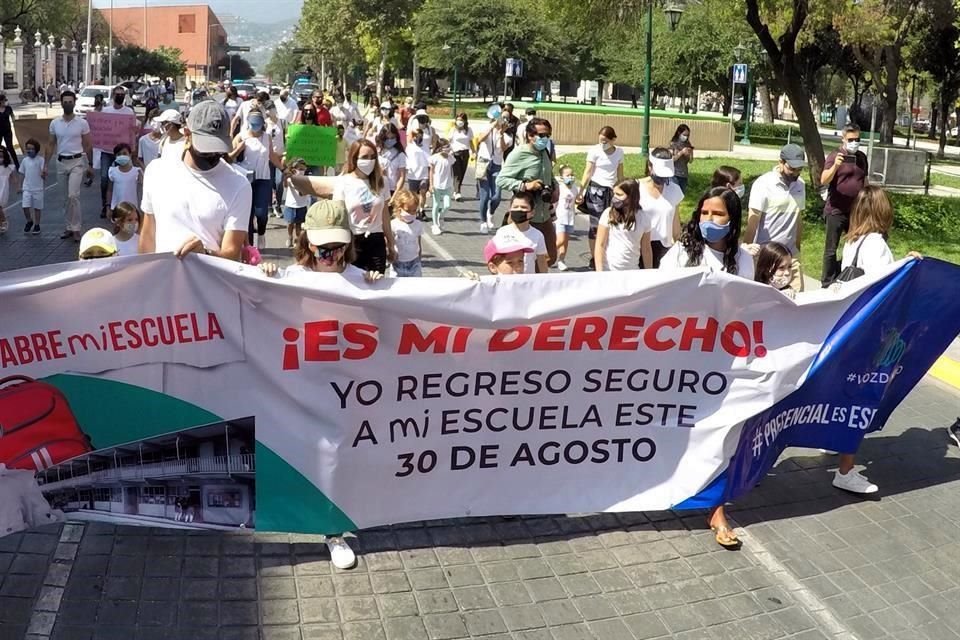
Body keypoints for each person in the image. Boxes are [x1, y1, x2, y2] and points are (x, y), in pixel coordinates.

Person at [832, 185, 922, 493]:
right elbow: (885, 286)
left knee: (846, 393)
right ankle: (845, 471)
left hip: (850, 329)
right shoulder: (877, 245)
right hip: (870, 334)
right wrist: (907, 265)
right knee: (862, 397)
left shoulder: (852, 242)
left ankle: (837, 447)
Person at [139, 100, 251, 261]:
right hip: (163, 281)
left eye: (218, 149)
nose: (212, 155)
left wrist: (204, 254)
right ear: (187, 135)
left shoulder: (239, 185)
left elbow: (232, 252)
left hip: (209, 283)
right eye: (206, 149)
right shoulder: (156, 171)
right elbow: (148, 234)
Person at [287, 139, 397, 274]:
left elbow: (385, 215)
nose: (369, 161)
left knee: (376, 282)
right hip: (352, 240)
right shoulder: (343, 182)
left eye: (372, 157)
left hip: (376, 240)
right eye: (364, 157)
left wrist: (391, 243)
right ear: (354, 158)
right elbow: (338, 213)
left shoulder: (382, 182)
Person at [745, 143, 806, 291]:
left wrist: (797, 247)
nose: (796, 173)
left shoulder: (800, 185)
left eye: (799, 169)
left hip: (790, 256)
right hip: (766, 256)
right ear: (781, 162)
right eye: (792, 168)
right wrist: (745, 250)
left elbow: (798, 216)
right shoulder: (764, 184)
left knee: (797, 302)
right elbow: (753, 219)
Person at [496, 117, 557, 264]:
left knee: (550, 257)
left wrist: (554, 187)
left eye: (548, 135)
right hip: (525, 217)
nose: (545, 139)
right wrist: (525, 186)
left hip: (544, 215)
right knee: (519, 260)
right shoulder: (519, 153)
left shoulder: (545, 152)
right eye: (541, 135)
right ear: (530, 136)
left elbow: (549, 174)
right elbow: (501, 180)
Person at [661, 186, 754, 278]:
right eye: (704, 213)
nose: (709, 219)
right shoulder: (680, 252)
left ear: (732, 219)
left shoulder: (743, 260)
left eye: (718, 214)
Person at [228, 107, 284, 249]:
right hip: (245, 180)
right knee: (248, 214)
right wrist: (238, 149)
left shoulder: (267, 137)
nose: (255, 127)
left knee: (261, 213)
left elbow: (271, 156)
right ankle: (250, 247)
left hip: (263, 179)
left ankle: (261, 233)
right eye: (253, 124)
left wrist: (284, 169)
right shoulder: (241, 136)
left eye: (258, 124)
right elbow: (229, 158)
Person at [820, 124, 868, 287]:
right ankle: (827, 282)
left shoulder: (861, 158)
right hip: (836, 210)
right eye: (851, 140)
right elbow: (823, 180)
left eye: (857, 139)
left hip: (855, 211)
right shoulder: (835, 156)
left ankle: (850, 276)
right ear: (843, 139)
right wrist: (836, 166)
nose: (854, 142)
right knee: (831, 249)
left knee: (857, 245)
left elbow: (864, 180)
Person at [45, 90, 94, 242]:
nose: (67, 104)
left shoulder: (82, 123)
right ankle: (68, 227)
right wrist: (45, 165)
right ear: (61, 103)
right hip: (61, 162)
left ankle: (76, 228)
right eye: (65, 102)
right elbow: (51, 144)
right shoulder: (55, 123)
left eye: (70, 102)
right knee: (64, 198)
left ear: (74, 102)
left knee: (73, 195)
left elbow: (87, 144)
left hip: (77, 162)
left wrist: (90, 165)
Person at [576, 126, 625, 267]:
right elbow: (588, 171)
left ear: (613, 140)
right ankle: (594, 256)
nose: (602, 143)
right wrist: (580, 191)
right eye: (600, 140)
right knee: (596, 225)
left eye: (605, 141)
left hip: (611, 191)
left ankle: (607, 252)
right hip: (596, 190)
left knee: (612, 223)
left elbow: (620, 173)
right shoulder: (594, 151)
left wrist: (622, 190)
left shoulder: (619, 152)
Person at [594, 178, 652, 272]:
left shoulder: (644, 218)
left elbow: (646, 248)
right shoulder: (608, 214)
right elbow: (600, 244)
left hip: (631, 271)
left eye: (619, 195)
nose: (615, 197)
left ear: (631, 197)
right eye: (614, 194)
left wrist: (649, 271)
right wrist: (599, 272)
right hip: (609, 270)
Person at [96, 87, 138, 219]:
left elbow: (133, 130)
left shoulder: (129, 112)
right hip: (107, 151)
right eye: (117, 94)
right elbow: (98, 126)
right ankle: (105, 205)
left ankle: (126, 206)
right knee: (104, 178)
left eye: (122, 94)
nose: (120, 96)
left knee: (125, 179)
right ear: (113, 96)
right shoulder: (106, 111)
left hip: (123, 152)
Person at [639, 148, 684, 268]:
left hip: (664, 249)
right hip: (639, 248)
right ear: (650, 166)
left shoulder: (674, 190)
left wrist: (679, 248)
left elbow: (675, 223)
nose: (663, 179)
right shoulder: (636, 188)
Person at [494, 191, 548, 274]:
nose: (519, 209)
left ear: (532, 212)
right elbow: (495, 259)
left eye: (523, 207)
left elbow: (541, 261)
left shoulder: (537, 235)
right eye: (515, 207)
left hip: (527, 282)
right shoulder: (501, 232)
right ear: (510, 210)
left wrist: (545, 281)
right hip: (506, 280)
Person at [475, 111, 510, 233]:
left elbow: (503, 148)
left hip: (496, 166)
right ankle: (483, 221)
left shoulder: (507, 136)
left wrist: (501, 134)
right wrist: (492, 126)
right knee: (484, 197)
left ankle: (491, 212)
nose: (502, 121)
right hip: (484, 164)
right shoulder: (486, 129)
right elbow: (480, 139)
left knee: (497, 196)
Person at [390, 188, 423, 277]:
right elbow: (390, 242)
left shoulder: (418, 224)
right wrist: (391, 253)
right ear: (399, 209)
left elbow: (418, 242)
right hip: (398, 263)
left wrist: (419, 257)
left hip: (414, 263)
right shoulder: (394, 224)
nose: (411, 214)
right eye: (408, 211)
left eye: (414, 211)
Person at [427, 139, 455, 235]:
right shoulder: (434, 158)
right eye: (446, 147)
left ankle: (441, 216)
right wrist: (430, 184)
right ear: (440, 148)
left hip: (447, 185)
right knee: (436, 204)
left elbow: (451, 170)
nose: (448, 149)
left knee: (447, 205)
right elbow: (431, 172)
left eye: (448, 147)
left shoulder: (451, 158)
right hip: (437, 185)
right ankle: (435, 225)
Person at [554, 165, 578, 272]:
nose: (571, 177)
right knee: (560, 240)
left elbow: (575, 200)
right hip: (560, 217)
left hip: (570, 217)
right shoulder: (560, 188)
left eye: (572, 175)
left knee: (565, 241)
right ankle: (546, 254)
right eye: (568, 175)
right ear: (562, 177)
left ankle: (561, 260)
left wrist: (579, 200)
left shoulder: (574, 188)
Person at [106, 143, 142, 214]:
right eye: (119, 154)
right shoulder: (112, 171)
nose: (122, 156)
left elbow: (142, 189)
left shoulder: (137, 171)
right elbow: (109, 190)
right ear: (115, 156)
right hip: (117, 207)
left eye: (125, 153)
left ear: (130, 155)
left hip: (132, 208)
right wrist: (108, 207)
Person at [282, 158, 310, 248]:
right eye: (300, 169)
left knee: (299, 224)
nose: (301, 171)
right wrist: (286, 176)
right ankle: (290, 237)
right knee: (290, 223)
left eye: (303, 169)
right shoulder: (290, 179)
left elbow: (303, 193)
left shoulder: (307, 180)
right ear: (294, 170)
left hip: (301, 206)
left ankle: (298, 240)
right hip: (291, 205)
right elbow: (285, 185)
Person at [19, 139, 45, 235]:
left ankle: (37, 225)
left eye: (32, 149)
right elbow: (21, 173)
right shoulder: (25, 160)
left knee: (37, 208)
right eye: (27, 149)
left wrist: (43, 174)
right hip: (27, 188)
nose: (29, 151)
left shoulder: (41, 160)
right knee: (25, 206)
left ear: (36, 150)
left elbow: (44, 171)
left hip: (38, 188)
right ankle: (29, 221)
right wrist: (19, 186)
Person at [376, 124, 407, 197]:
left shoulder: (400, 154)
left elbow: (402, 177)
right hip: (378, 188)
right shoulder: (377, 152)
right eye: (387, 138)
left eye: (392, 137)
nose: (389, 140)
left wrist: (394, 196)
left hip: (392, 190)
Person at [448, 113, 473, 201]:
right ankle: (457, 191)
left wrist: (473, 151)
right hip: (455, 153)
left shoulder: (468, 130)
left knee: (462, 173)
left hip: (465, 153)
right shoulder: (453, 130)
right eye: (458, 120)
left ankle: (457, 189)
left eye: (461, 120)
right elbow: (449, 141)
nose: (460, 122)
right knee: (457, 173)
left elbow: (470, 141)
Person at [405, 127, 429, 218]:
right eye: (416, 136)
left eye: (420, 136)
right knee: (413, 194)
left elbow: (429, 158)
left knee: (423, 192)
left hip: (423, 173)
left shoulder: (425, 146)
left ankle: (421, 210)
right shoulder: (410, 147)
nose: (418, 137)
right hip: (413, 174)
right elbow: (407, 159)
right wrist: (407, 169)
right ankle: (413, 210)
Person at [669, 124, 694, 193]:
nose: (686, 137)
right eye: (684, 135)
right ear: (679, 133)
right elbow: (672, 159)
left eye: (687, 135)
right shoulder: (673, 144)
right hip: (675, 174)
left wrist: (690, 153)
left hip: (684, 174)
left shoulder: (688, 144)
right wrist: (681, 152)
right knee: (674, 195)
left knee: (681, 195)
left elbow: (691, 161)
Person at [0, 94, 18, 170]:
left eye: (5, 100)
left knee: (10, 147)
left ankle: (17, 164)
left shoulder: (8, 108)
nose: (5, 102)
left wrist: (15, 122)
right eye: (4, 101)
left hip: (7, 131)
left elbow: (12, 116)